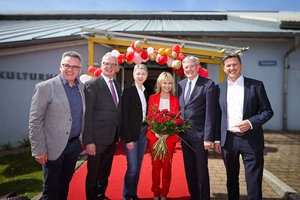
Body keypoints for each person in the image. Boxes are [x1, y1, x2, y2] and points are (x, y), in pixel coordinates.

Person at [214, 54, 274, 200]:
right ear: (224, 68)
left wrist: (250, 123)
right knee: (231, 179)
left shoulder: (256, 85)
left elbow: (268, 111)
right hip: (228, 140)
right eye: (228, 65)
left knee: (253, 180)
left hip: (251, 140)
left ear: (240, 66)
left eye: (234, 64)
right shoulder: (217, 89)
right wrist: (216, 139)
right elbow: (216, 115)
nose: (232, 68)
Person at [28, 51, 85, 200]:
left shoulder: (83, 88)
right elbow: (35, 120)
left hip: (74, 146)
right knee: (51, 189)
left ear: (80, 70)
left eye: (75, 67)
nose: (70, 69)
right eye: (66, 65)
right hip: (52, 147)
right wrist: (38, 149)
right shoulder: (45, 87)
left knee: (65, 184)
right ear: (60, 66)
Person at [83, 52, 121, 200]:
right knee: (93, 174)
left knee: (105, 172)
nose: (109, 67)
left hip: (111, 139)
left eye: (113, 64)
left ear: (117, 67)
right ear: (101, 65)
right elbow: (87, 115)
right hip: (96, 140)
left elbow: (116, 111)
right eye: (106, 63)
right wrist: (89, 141)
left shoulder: (117, 85)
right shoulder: (92, 85)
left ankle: (101, 195)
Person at [178, 55, 217, 200]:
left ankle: (204, 197)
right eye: (186, 67)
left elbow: (211, 113)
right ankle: (194, 196)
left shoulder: (208, 84)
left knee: (201, 170)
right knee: (189, 170)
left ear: (198, 66)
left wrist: (208, 137)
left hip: (201, 137)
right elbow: (182, 109)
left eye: (191, 66)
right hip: (185, 136)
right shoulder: (181, 84)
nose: (189, 69)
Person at [146, 72, 180, 200]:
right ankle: (155, 192)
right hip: (154, 137)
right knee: (155, 166)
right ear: (160, 83)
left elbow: (177, 119)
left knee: (167, 166)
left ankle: (165, 192)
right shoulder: (152, 98)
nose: (167, 85)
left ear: (172, 84)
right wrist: (156, 132)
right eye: (164, 82)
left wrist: (167, 133)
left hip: (169, 138)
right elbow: (150, 117)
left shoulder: (175, 100)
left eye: (169, 83)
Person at [120, 64, 149, 200]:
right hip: (132, 134)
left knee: (138, 165)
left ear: (146, 75)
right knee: (132, 167)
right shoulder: (128, 92)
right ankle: (126, 196)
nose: (140, 76)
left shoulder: (146, 91)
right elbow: (124, 117)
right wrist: (128, 139)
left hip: (144, 133)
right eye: (138, 73)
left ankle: (133, 193)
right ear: (134, 75)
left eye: (143, 74)